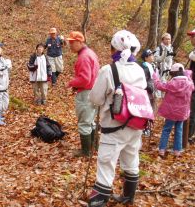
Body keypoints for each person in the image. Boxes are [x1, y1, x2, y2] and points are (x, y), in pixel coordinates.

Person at [88, 30, 146, 206]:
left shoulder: (109, 70)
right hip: (136, 125)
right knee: (131, 158)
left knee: (106, 162)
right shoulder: (140, 69)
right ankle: (129, 196)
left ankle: (99, 200)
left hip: (114, 126)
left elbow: (95, 98)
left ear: (114, 48)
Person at [67, 31, 100, 157]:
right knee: (91, 121)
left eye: (72, 42)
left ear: (80, 42)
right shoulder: (90, 53)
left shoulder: (84, 57)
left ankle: (86, 152)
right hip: (93, 91)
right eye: (69, 42)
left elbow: (85, 79)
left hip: (86, 93)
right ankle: (94, 147)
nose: (70, 45)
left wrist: (71, 83)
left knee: (84, 122)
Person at [153, 63, 194, 157]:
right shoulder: (189, 83)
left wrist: (155, 77)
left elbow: (159, 86)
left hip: (171, 112)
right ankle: (177, 151)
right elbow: (193, 87)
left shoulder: (172, 83)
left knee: (166, 129)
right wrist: (188, 75)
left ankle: (162, 150)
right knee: (179, 130)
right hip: (182, 112)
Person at [141, 49, 157, 136]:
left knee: (151, 109)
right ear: (146, 58)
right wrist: (150, 88)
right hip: (147, 93)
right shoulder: (145, 67)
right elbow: (144, 80)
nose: (153, 56)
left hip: (151, 92)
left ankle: (147, 127)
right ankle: (145, 128)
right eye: (151, 55)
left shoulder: (151, 66)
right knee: (147, 110)